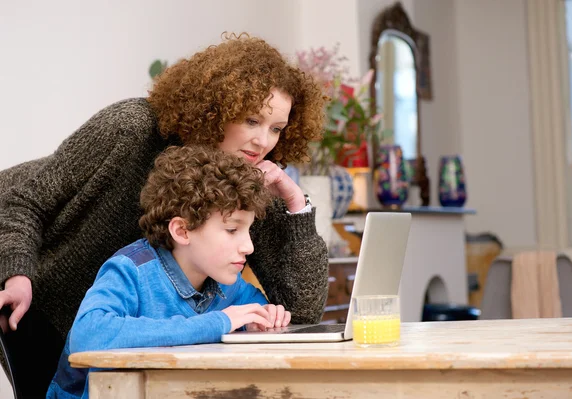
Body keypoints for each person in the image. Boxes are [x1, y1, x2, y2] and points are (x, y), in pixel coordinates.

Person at [0, 33, 328, 397]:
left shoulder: (248, 183)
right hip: (32, 274)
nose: (263, 141)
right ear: (218, 108)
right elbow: (24, 202)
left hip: (113, 322)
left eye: (276, 129)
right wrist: (17, 272)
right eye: (252, 120)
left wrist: (297, 206)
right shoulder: (132, 128)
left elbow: (302, 311)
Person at [46, 145, 291, 398]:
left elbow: (253, 312)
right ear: (182, 231)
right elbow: (88, 335)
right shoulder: (131, 270)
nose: (248, 246)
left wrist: (263, 320)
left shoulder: (227, 281)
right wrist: (219, 323)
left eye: (248, 230)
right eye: (231, 230)